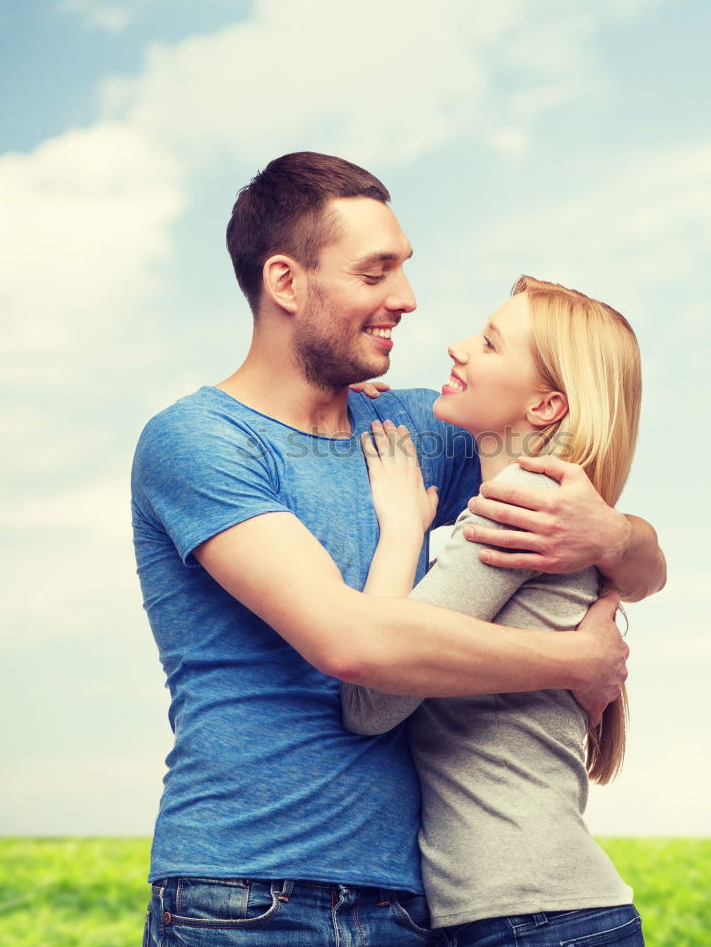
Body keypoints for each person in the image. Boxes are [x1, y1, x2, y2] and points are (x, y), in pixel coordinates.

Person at [132, 152, 665, 946]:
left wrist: (616, 536)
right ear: (286, 283)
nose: (406, 301)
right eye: (375, 273)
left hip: (412, 906)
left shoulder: (417, 430)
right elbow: (349, 643)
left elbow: (593, 502)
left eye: (403, 271)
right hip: (246, 890)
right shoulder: (200, 442)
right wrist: (574, 664)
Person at [342, 276, 646, 947]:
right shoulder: (547, 505)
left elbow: (370, 700)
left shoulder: (518, 510)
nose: (456, 348)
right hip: (536, 912)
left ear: (544, 406)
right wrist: (344, 405)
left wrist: (400, 531)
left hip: (527, 918)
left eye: (487, 343)